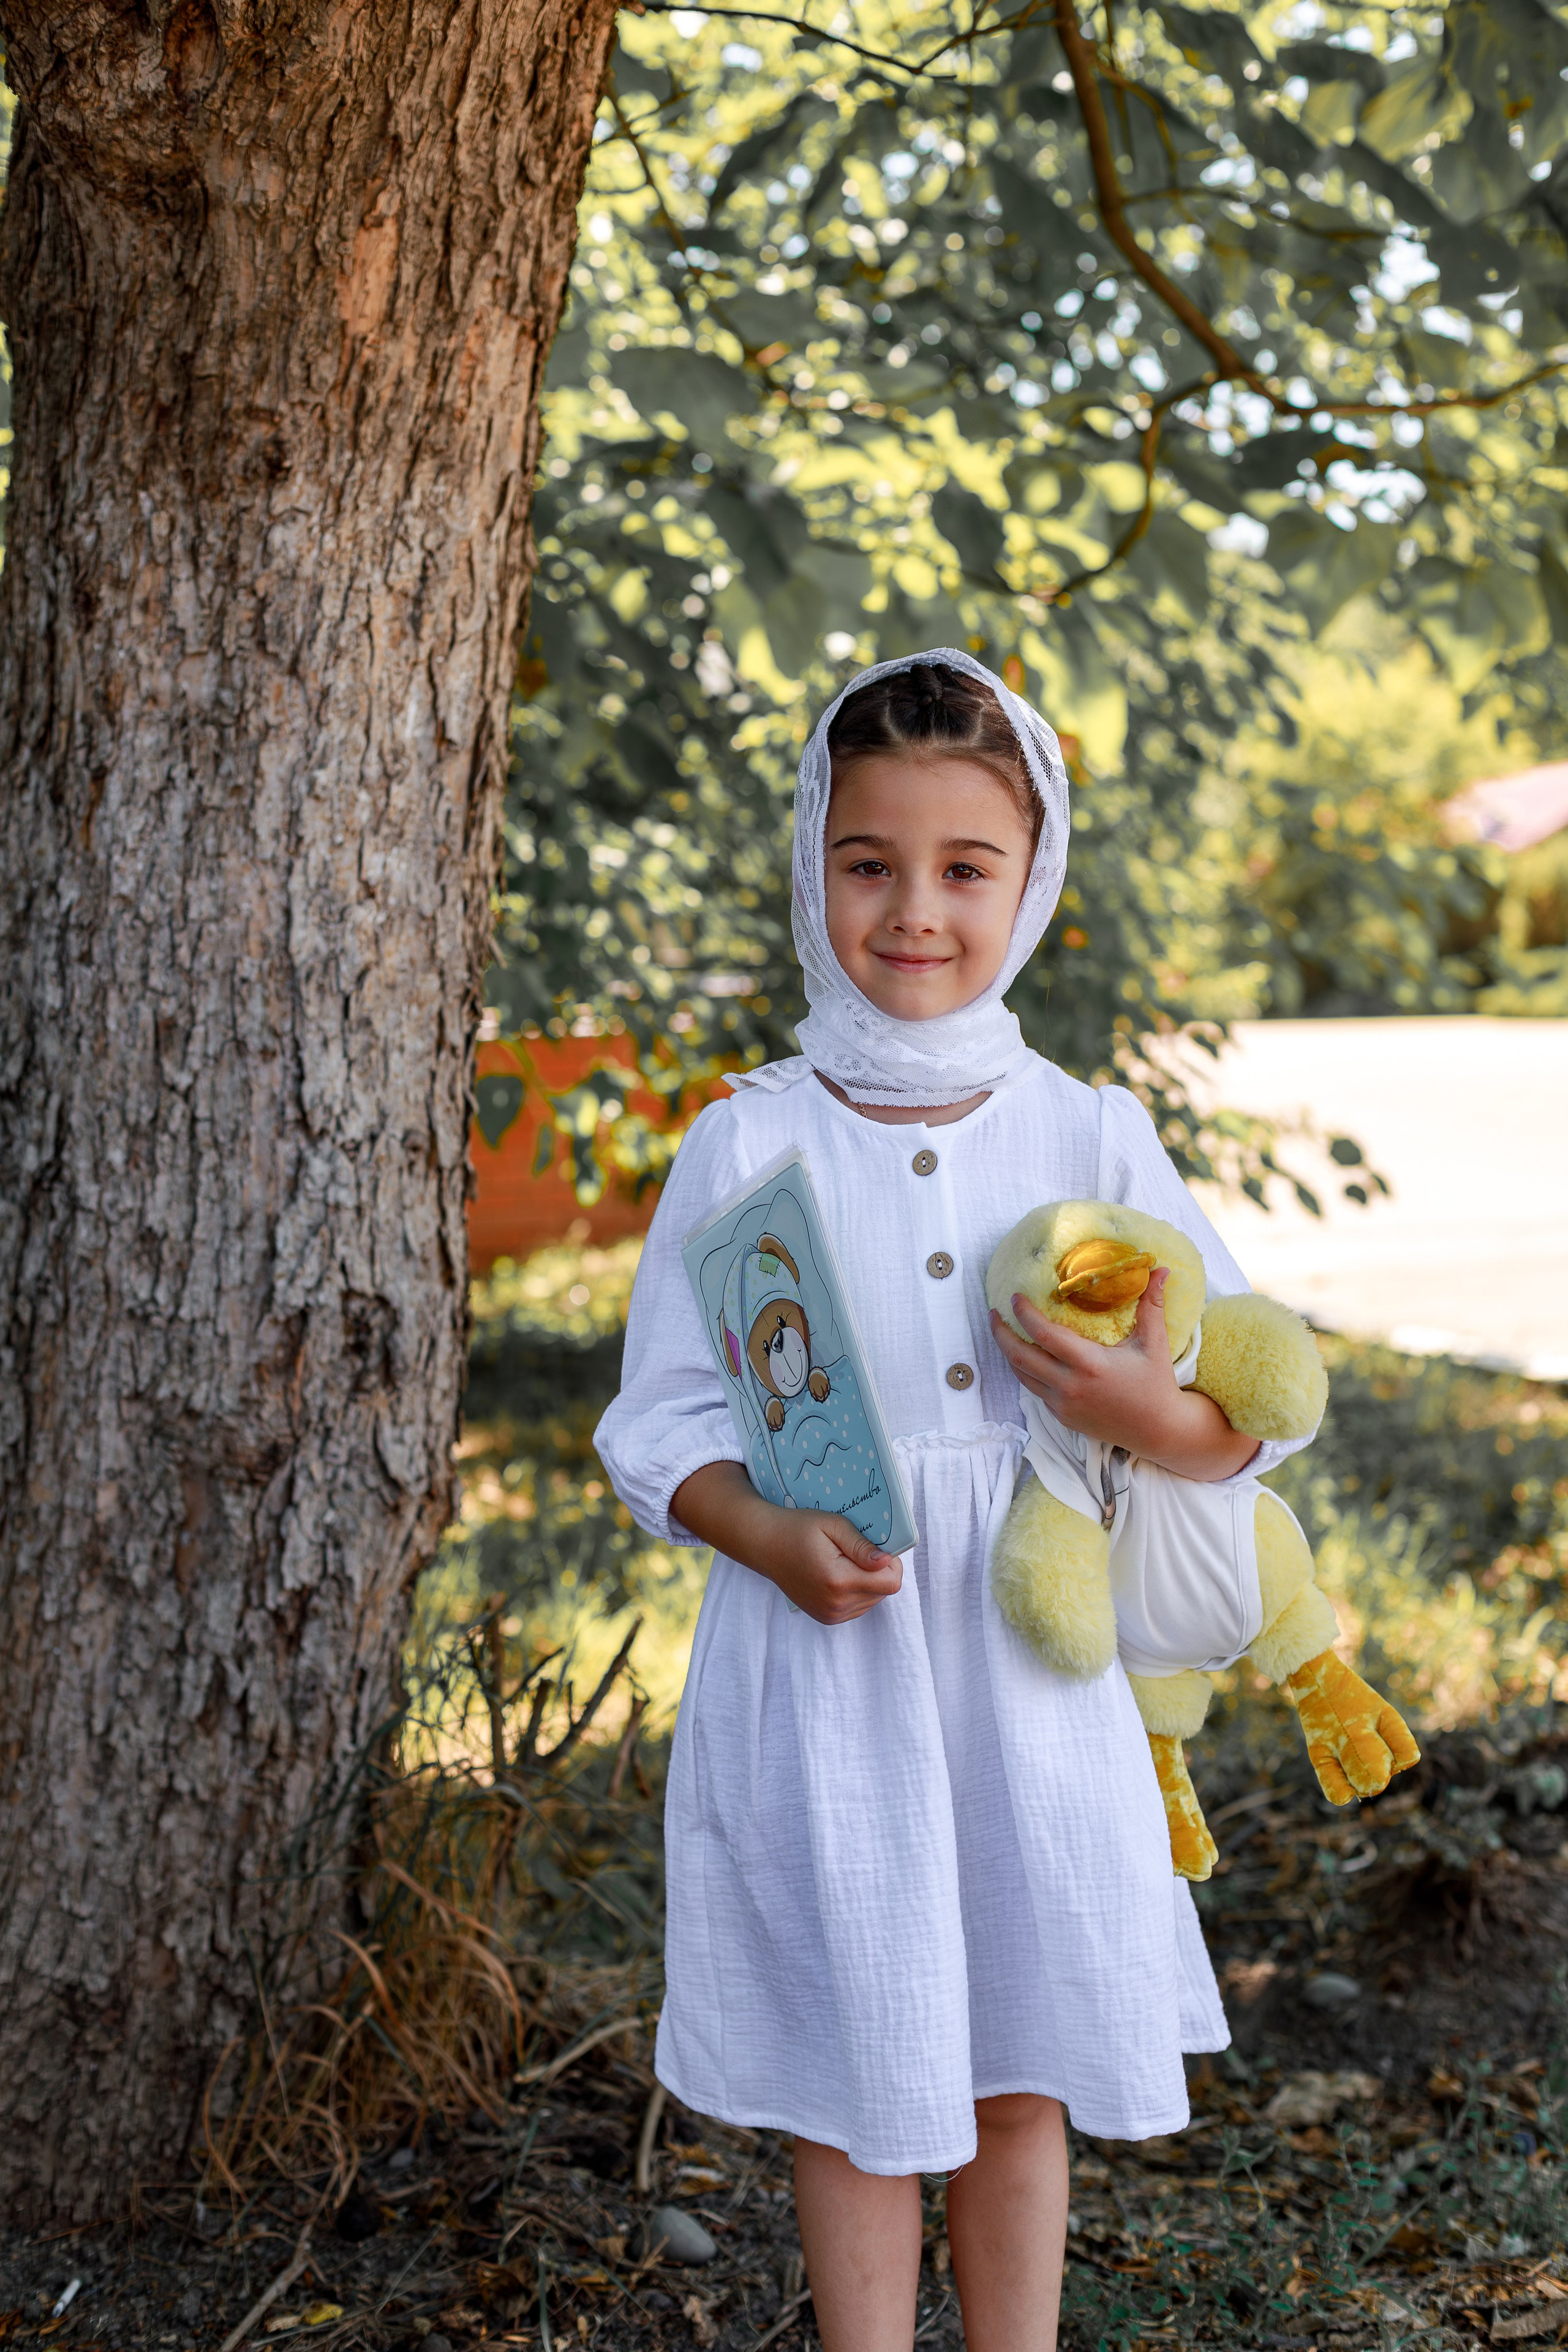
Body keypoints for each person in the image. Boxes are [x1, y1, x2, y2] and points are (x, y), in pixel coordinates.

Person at [594, 651, 1319, 2352]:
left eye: (964, 867)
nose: (914, 907)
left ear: (1032, 876)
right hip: (832, 1665)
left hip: (1027, 1676)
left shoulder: (1090, 1132)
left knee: (1020, 2050)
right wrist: (760, 1528)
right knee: (859, 2055)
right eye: (870, 863)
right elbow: (662, 1418)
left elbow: (1248, 1421)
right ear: (813, 866)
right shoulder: (744, 1140)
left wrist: (1158, 1406)